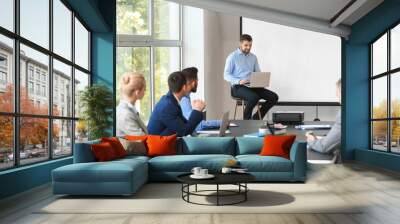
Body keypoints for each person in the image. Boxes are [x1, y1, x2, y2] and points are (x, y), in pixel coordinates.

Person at [224, 34, 278, 120]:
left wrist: (260, 81)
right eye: (246, 45)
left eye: (250, 45)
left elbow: (258, 72)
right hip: (238, 87)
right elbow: (226, 75)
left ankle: (256, 118)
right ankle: (246, 121)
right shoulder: (232, 57)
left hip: (252, 85)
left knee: (274, 97)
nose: (248, 47)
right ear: (240, 44)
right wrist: (239, 81)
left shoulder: (253, 57)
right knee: (254, 97)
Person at [147, 71, 206, 136]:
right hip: (160, 145)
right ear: (184, 87)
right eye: (189, 84)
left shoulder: (171, 101)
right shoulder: (167, 106)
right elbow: (184, 131)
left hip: (170, 142)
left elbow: (185, 125)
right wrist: (197, 110)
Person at [306, 79, 342, 162]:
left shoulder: (344, 113)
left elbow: (324, 147)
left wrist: (312, 141)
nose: (336, 95)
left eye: (337, 91)